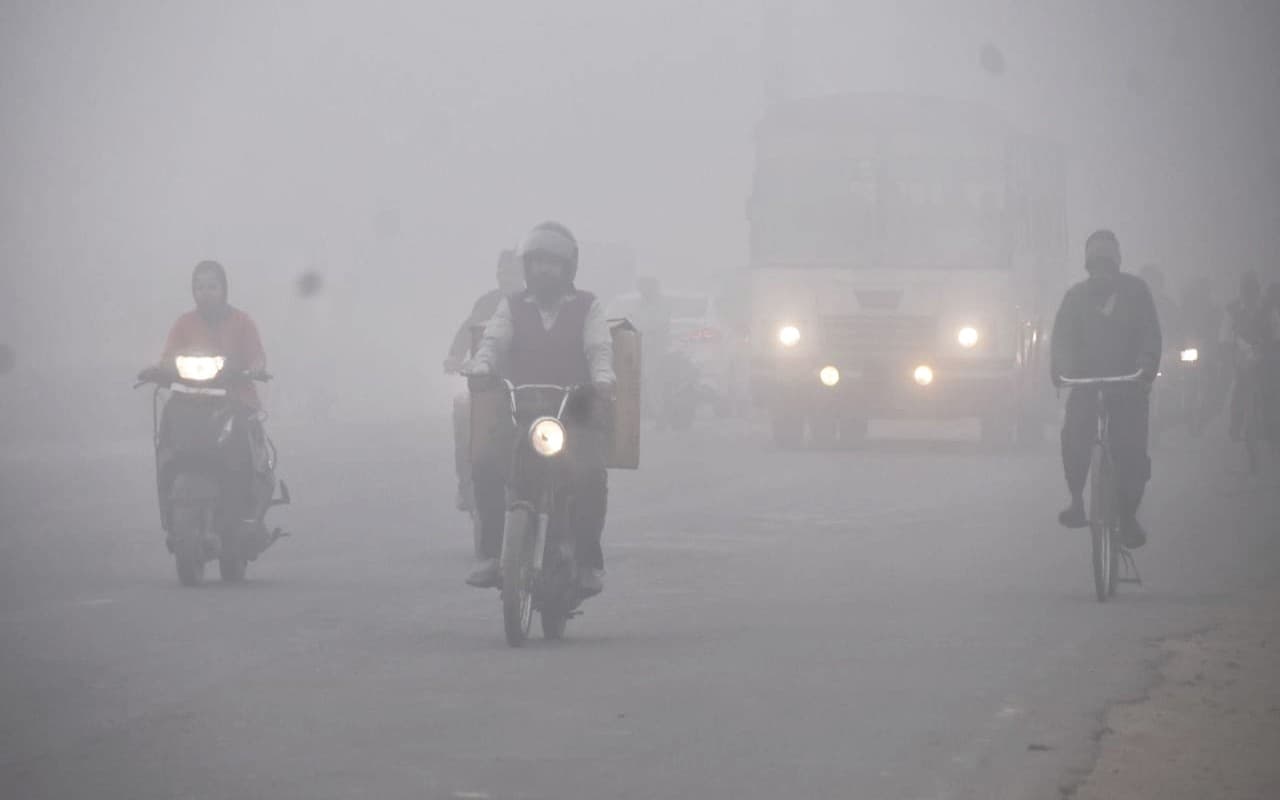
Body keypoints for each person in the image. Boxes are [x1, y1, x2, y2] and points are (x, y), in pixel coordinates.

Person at [464, 222, 615, 595]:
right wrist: (482, 365)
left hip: (575, 411)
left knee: (590, 474)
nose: (544, 271)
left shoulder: (587, 306)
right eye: (537, 264)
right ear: (527, 268)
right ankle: (489, 555)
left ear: (568, 269)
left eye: (553, 264)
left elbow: (599, 348)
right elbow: (494, 341)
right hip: (522, 411)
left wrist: (603, 377)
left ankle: (586, 564)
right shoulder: (511, 306)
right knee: (485, 464)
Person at [1050, 230, 1162, 548]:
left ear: (1116, 265)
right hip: (1086, 385)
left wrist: (1146, 366)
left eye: (1107, 265)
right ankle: (1076, 499)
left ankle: (1127, 516)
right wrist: (1061, 369)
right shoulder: (1074, 299)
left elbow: (1150, 335)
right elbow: (1062, 340)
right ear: (1088, 268)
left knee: (1131, 453)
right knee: (1074, 436)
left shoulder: (1137, 293)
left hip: (1128, 385)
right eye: (1095, 265)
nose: (1101, 272)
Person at [444, 250, 524, 511]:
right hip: (489, 385)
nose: (506, 279)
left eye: (512, 273)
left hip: (531, 385)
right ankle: (465, 484)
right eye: (503, 273)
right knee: (463, 412)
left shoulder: (536, 302)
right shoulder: (487, 303)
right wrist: (454, 356)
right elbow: (467, 331)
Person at [1224, 270, 1268, 443]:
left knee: (1269, 391)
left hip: (1265, 358)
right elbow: (1226, 337)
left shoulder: (1266, 309)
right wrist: (1230, 357)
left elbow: (1275, 333)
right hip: (1240, 359)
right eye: (1246, 290)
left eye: (1252, 290)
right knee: (1239, 391)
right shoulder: (1232, 310)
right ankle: (1235, 427)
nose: (1250, 294)